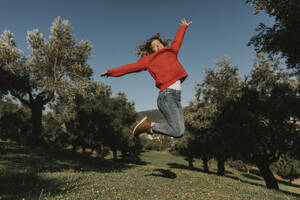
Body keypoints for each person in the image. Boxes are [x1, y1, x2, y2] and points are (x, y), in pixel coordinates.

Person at [101, 18, 192, 138]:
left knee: (179, 131)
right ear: (151, 50)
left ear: (163, 44)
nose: (158, 46)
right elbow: (131, 67)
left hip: (176, 97)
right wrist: (111, 72)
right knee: (178, 131)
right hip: (166, 95)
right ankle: (149, 126)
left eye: (159, 43)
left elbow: (178, 40)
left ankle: (149, 126)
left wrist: (183, 27)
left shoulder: (171, 51)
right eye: (154, 46)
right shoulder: (148, 60)